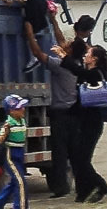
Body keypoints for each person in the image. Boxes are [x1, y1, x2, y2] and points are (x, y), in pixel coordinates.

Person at [25, 10, 74, 198]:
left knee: (60, 153)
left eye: (67, 47)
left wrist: (29, 32)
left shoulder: (60, 66)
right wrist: (53, 19)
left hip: (61, 114)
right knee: (71, 150)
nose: (63, 46)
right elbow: (62, 41)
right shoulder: (77, 64)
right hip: (74, 113)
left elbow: (38, 53)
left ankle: (61, 188)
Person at [57, 39, 107, 203]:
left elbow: (80, 72)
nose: (85, 56)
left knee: (82, 159)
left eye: (88, 54)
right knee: (77, 159)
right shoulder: (90, 74)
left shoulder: (95, 74)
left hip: (92, 124)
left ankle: (100, 186)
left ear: (94, 58)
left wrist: (64, 57)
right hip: (83, 121)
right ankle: (84, 192)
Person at [0, 94, 30, 209]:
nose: (23, 109)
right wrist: (4, 134)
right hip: (10, 154)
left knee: (15, 181)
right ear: (11, 111)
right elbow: (0, 140)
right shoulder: (8, 124)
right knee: (21, 182)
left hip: (20, 153)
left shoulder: (22, 120)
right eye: (19, 108)